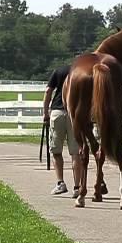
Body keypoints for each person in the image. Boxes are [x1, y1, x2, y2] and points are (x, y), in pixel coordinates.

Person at [43, 65, 82, 198]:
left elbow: (48, 91)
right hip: (74, 113)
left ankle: (60, 183)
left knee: (56, 150)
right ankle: (77, 187)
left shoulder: (58, 71)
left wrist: (45, 113)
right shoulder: (81, 71)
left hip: (58, 111)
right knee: (76, 153)